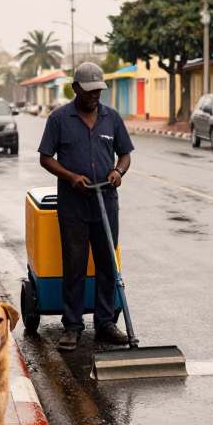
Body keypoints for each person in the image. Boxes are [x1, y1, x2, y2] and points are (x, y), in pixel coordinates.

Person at [38, 61, 133, 351]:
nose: (95, 96)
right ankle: (72, 327)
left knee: (107, 265)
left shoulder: (111, 118)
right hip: (74, 205)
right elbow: (45, 157)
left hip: (106, 202)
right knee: (75, 265)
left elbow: (125, 154)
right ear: (75, 88)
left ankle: (105, 324)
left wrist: (118, 173)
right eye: (89, 90)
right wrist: (70, 177)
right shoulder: (59, 118)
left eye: (99, 90)